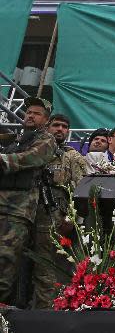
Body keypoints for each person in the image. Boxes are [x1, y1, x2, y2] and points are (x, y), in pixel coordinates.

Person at [0, 97, 57, 305]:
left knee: (4, 263)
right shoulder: (15, 139)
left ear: (46, 120)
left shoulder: (46, 140)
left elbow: (32, 158)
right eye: (28, 112)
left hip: (17, 210)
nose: (30, 115)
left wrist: (3, 159)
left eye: (37, 113)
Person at [30, 113, 88, 309]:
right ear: (47, 128)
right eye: (56, 125)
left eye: (64, 126)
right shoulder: (34, 150)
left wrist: (74, 219)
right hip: (25, 211)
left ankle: (45, 311)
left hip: (55, 214)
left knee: (47, 265)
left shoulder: (72, 156)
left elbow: (83, 191)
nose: (60, 129)